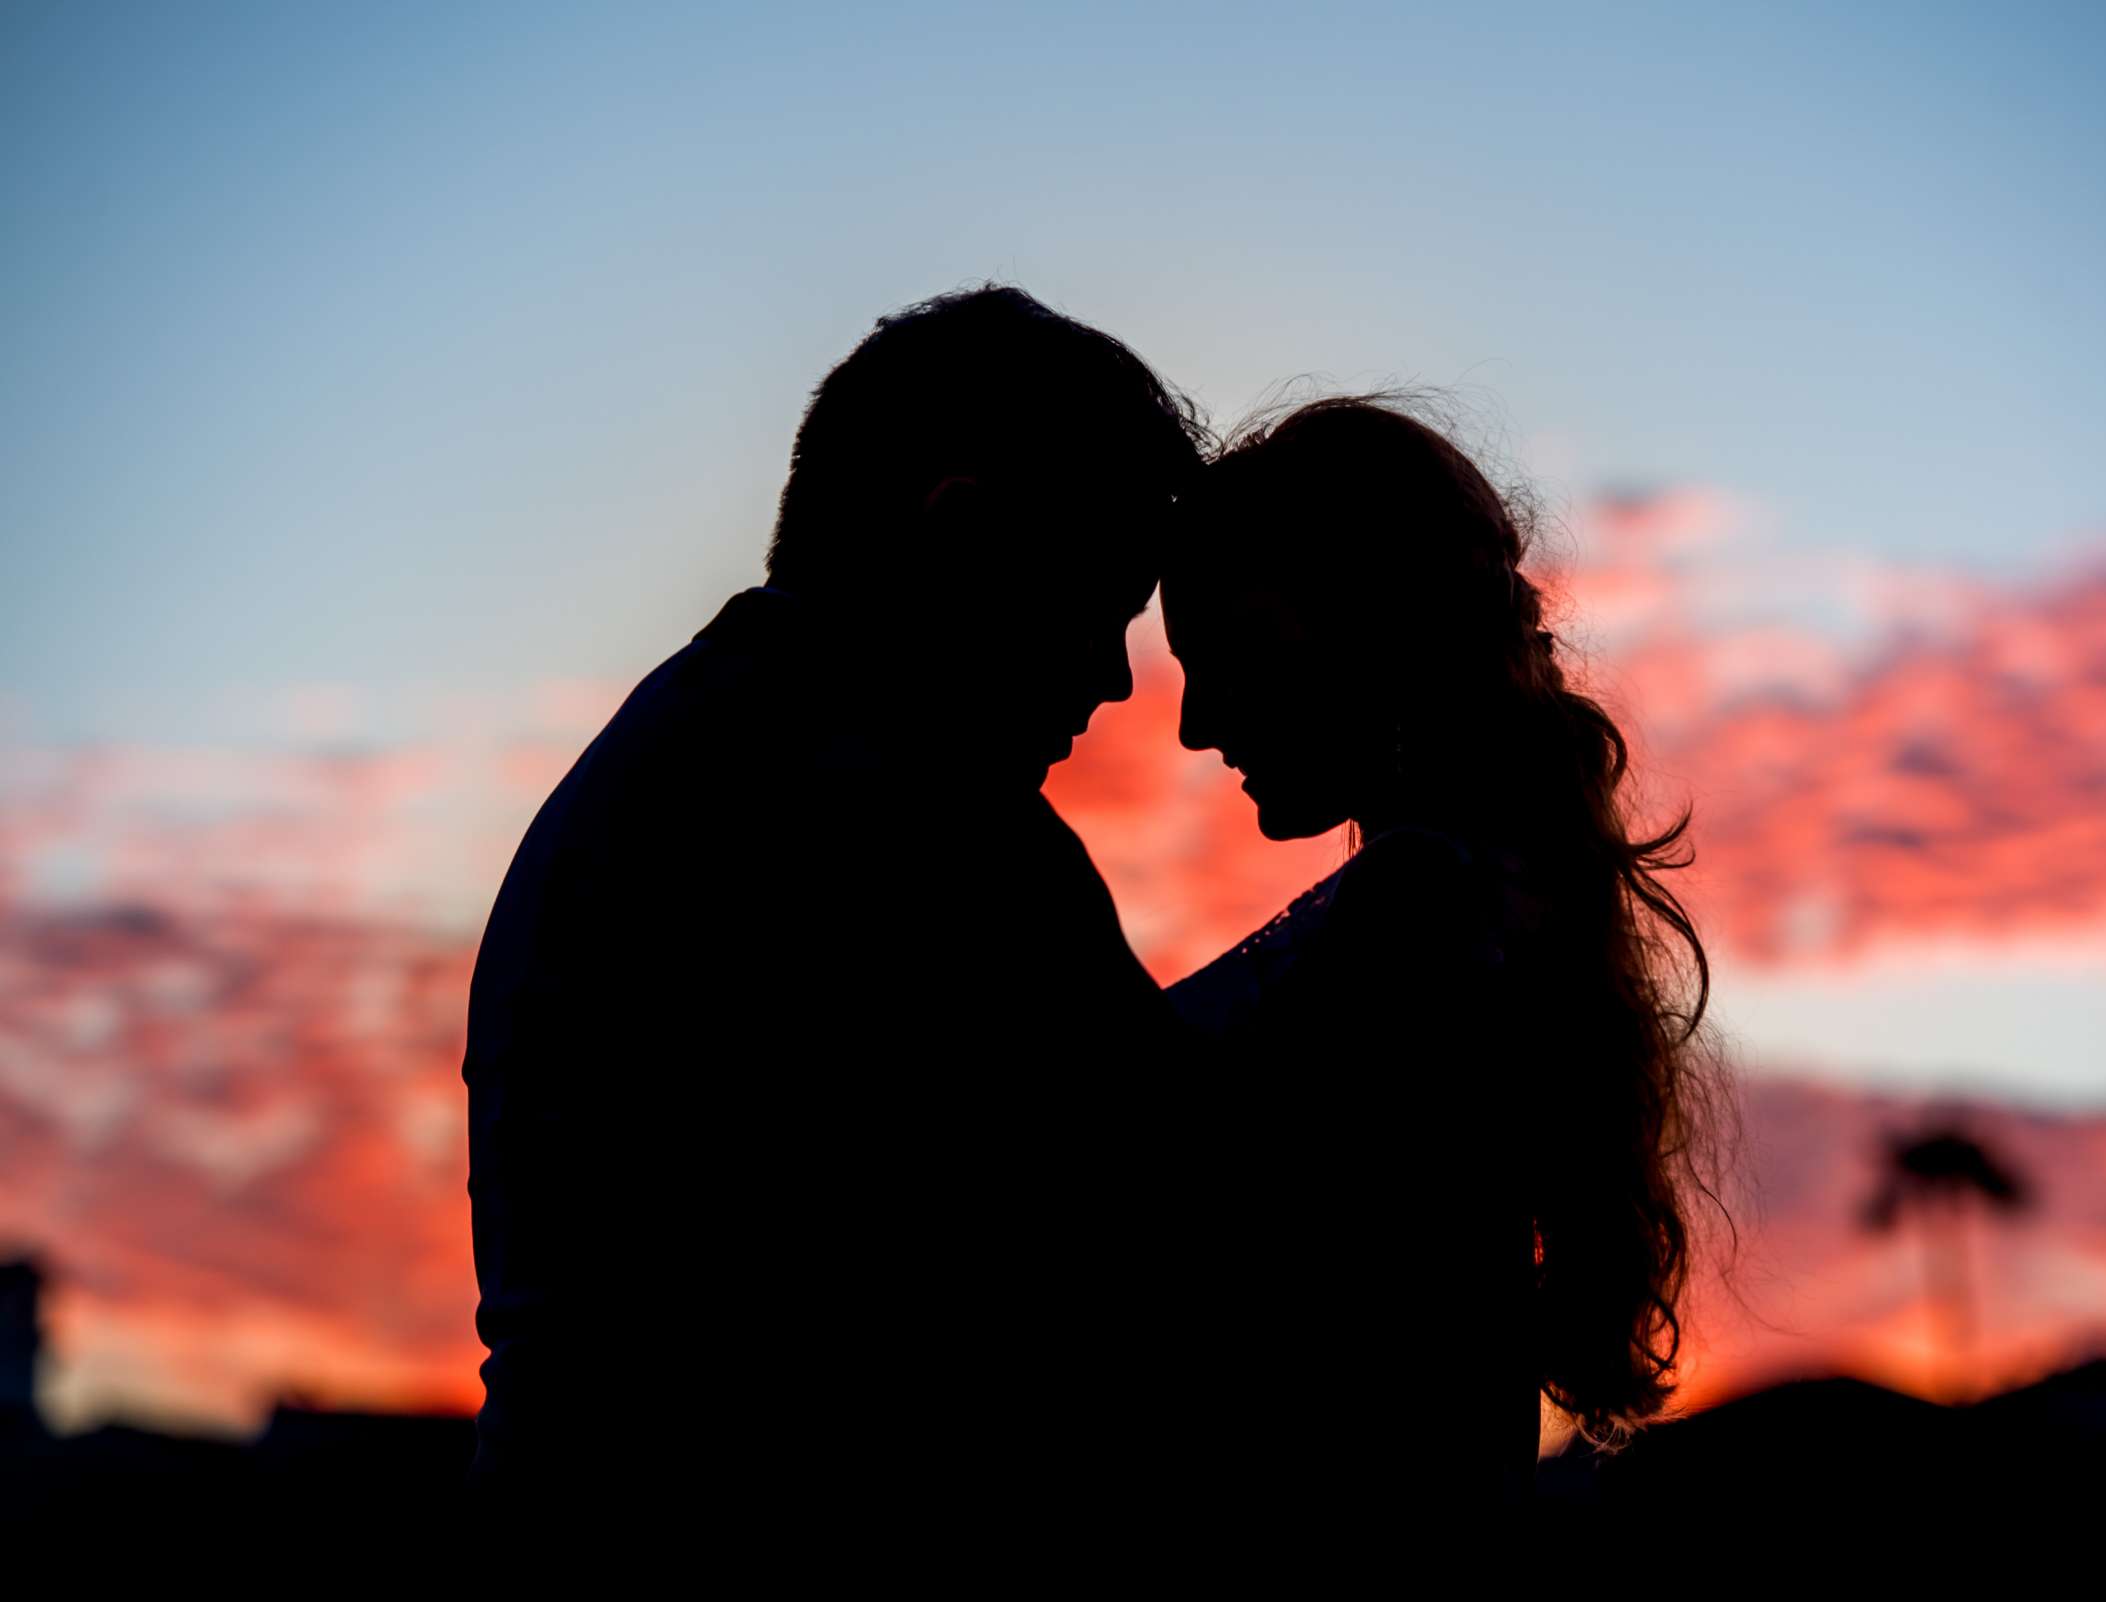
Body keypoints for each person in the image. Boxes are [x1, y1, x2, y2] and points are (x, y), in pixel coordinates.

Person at [460, 286, 1208, 1547]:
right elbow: (1180, 1209)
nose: (1114, 678)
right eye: (1100, 609)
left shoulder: (690, 754)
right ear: (962, 540)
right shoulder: (918, 821)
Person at [1160, 395, 1733, 1536]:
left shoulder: (1419, 913)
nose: (1193, 723)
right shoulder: (1475, 895)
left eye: (1229, 653)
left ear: (1374, 629)